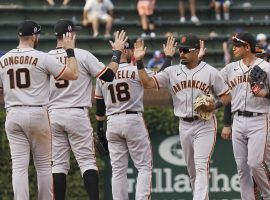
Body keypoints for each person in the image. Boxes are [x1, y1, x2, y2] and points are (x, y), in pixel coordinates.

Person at [134, 34, 231, 200]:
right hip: (184, 125)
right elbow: (148, 84)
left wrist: (214, 105)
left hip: (204, 124)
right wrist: (139, 62)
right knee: (192, 172)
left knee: (201, 166)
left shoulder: (210, 71)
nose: (182, 53)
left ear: (196, 52)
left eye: (186, 50)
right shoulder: (172, 71)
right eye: (180, 50)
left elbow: (227, 96)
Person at [48, 19, 127, 200]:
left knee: (58, 165)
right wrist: (116, 53)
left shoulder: (46, 57)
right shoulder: (82, 55)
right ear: (71, 35)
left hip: (53, 114)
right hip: (76, 113)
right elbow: (108, 76)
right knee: (86, 162)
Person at [0, 20, 78, 200]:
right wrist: (70, 51)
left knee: (18, 167)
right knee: (43, 166)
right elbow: (73, 74)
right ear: (34, 36)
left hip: (13, 113)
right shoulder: (42, 57)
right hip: (37, 112)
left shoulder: (3, 60)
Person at [94, 36, 177, 199]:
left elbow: (99, 106)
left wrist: (99, 129)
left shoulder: (103, 73)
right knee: (144, 166)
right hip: (132, 119)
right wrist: (168, 57)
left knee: (118, 170)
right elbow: (158, 78)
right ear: (128, 50)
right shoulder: (135, 70)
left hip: (112, 122)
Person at [220, 32, 270, 200]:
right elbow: (224, 93)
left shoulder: (266, 67)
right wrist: (227, 123)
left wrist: (266, 93)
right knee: (242, 168)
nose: (233, 48)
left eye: (237, 45)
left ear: (247, 47)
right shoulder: (230, 69)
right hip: (238, 120)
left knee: (255, 163)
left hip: (260, 118)